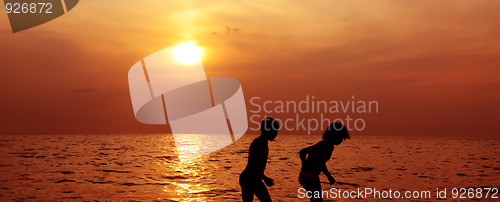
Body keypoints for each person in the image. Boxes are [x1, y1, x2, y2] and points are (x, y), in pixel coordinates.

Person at [298, 122, 350, 201]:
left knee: (315, 199)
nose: (342, 140)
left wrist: (304, 166)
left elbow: (303, 152)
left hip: (304, 175)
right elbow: (321, 163)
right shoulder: (327, 146)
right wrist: (329, 176)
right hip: (310, 176)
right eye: (341, 138)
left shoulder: (321, 144)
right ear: (335, 136)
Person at [239, 118, 279, 202]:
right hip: (249, 178)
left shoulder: (263, 143)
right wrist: (264, 178)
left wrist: (262, 177)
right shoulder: (259, 143)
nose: (276, 135)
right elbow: (252, 164)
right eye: (275, 131)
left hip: (252, 178)